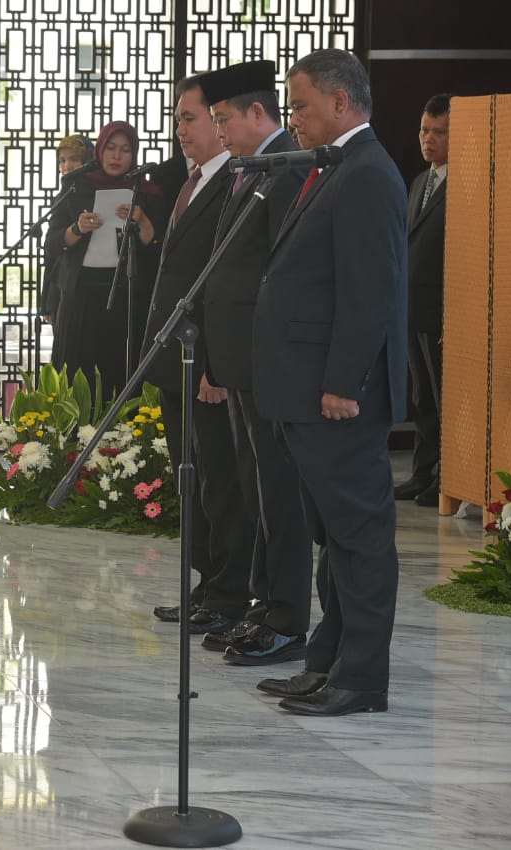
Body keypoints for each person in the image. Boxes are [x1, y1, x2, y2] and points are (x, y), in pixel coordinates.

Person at [253, 49, 406, 716]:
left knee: (359, 538)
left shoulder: (367, 172)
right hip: (307, 389)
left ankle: (361, 679)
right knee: (333, 538)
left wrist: (343, 382)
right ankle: (328, 661)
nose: (292, 117)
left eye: (300, 105)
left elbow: (370, 292)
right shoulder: (336, 166)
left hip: (340, 396)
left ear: (341, 102)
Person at [196, 61, 313, 665]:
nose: (218, 131)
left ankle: (286, 616)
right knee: (254, 486)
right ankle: (262, 606)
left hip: (267, 362)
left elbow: (281, 273)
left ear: (256, 113)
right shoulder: (253, 169)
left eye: (223, 120)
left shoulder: (286, 168)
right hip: (238, 359)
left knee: (278, 491)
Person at [137, 76, 253, 637]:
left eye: (190, 118)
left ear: (218, 118)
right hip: (173, 356)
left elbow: (224, 285)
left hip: (206, 360)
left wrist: (213, 361)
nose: (180, 129)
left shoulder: (234, 181)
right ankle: (206, 582)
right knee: (193, 476)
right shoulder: (191, 182)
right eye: (177, 119)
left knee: (219, 479)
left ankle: (230, 591)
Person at [44, 120, 166, 400]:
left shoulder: (148, 192)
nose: (116, 156)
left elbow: (159, 250)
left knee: (120, 375)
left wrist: (141, 219)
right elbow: (52, 244)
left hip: (128, 298)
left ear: (134, 153)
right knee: (77, 377)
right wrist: (77, 229)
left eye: (125, 149)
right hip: (80, 295)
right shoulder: (76, 186)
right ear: (99, 149)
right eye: (110, 148)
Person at [394, 94, 451, 508]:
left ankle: (446, 478)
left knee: (444, 398)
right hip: (412, 307)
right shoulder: (419, 182)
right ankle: (422, 471)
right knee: (422, 399)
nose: (428, 139)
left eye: (439, 132)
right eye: (424, 130)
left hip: (444, 311)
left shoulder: (466, 184)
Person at [39, 133, 92, 326]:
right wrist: (45, 302)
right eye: (62, 160)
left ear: (89, 159)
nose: (67, 166)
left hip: (92, 286)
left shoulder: (99, 190)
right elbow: (52, 249)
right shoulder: (64, 194)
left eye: (74, 159)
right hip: (62, 284)